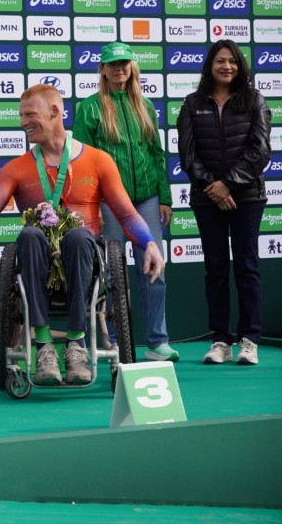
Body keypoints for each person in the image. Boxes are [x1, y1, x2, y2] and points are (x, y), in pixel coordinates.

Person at [0, 84, 165, 385]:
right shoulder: (16, 168)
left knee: (77, 236)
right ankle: (45, 346)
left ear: (54, 112)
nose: (23, 122)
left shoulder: (99, 160)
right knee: (30, 235)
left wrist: (149, 243)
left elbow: (127, 214)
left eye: (30, 114)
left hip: (86, 257)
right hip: (37, 259)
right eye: (21, 115)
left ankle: (76, 345)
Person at [72, 42, 179, 362]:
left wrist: (164, 197)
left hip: (147, 199)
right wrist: (92, 206)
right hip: (109, 203)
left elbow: (157, 154)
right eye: (113, 64)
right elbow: (82, 162)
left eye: (124, 63)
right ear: (102, 69)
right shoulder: (89, 107)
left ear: (132, 67)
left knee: (155, 269)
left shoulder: (145, 105)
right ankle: (115, 342)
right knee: (111, 275)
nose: (119, 68)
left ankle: (157, 342)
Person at [177, 39, 271, 365]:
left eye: (232, 60)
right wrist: (211, 187)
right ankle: (221, 340)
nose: (226, 66)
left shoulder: (255, 100)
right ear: (210, 65)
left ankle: (249, 340)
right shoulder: (192, 103)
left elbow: (260, 151)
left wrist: (227, 184)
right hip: (207, 198)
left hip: (247, 196)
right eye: (220, 60)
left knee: (246, 265)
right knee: (215, 268)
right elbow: (187, 154)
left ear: (239, 65)